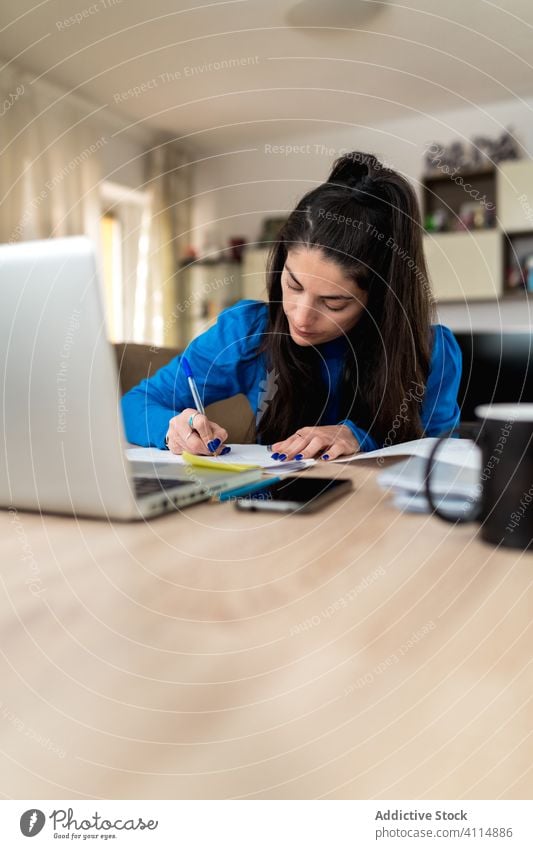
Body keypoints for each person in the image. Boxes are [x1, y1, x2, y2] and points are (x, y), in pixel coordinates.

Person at [122, 151, 462, 461]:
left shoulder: (430, 352)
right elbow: (135, 403)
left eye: (333, 302)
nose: (300, 317)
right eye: (293, 284)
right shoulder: (247, 331)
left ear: (381, 299)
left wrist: (363, 438)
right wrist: (173, 429)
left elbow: (445, 457)